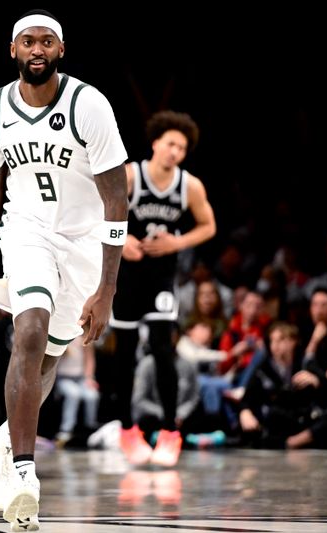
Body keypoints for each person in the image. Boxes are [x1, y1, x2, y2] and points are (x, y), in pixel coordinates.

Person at [0, 9, 128, 530]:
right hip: (27, 233)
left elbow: (117, 199)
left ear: (61, 50)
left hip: (84, 243)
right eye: (27, 41)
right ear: (13, 50)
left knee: (49, 355)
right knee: (28, 330)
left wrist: (107, 289)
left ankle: (8, 438)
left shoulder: (88, 105)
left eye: (46, 41)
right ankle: (25, 472)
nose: (36, 49)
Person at [109, 110, 216, 467]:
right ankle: (127, 429)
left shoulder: (190, 186)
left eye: (182, 148)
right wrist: (121, 238)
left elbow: (208, 226)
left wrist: (178, 243)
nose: (175, 152)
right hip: (127, 274)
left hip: (161, 277)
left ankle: (171, 431)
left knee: (161, 348)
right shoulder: (131, 176)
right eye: (171, 143)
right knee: (124, 355)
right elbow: (96, 208)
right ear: (155, 143)